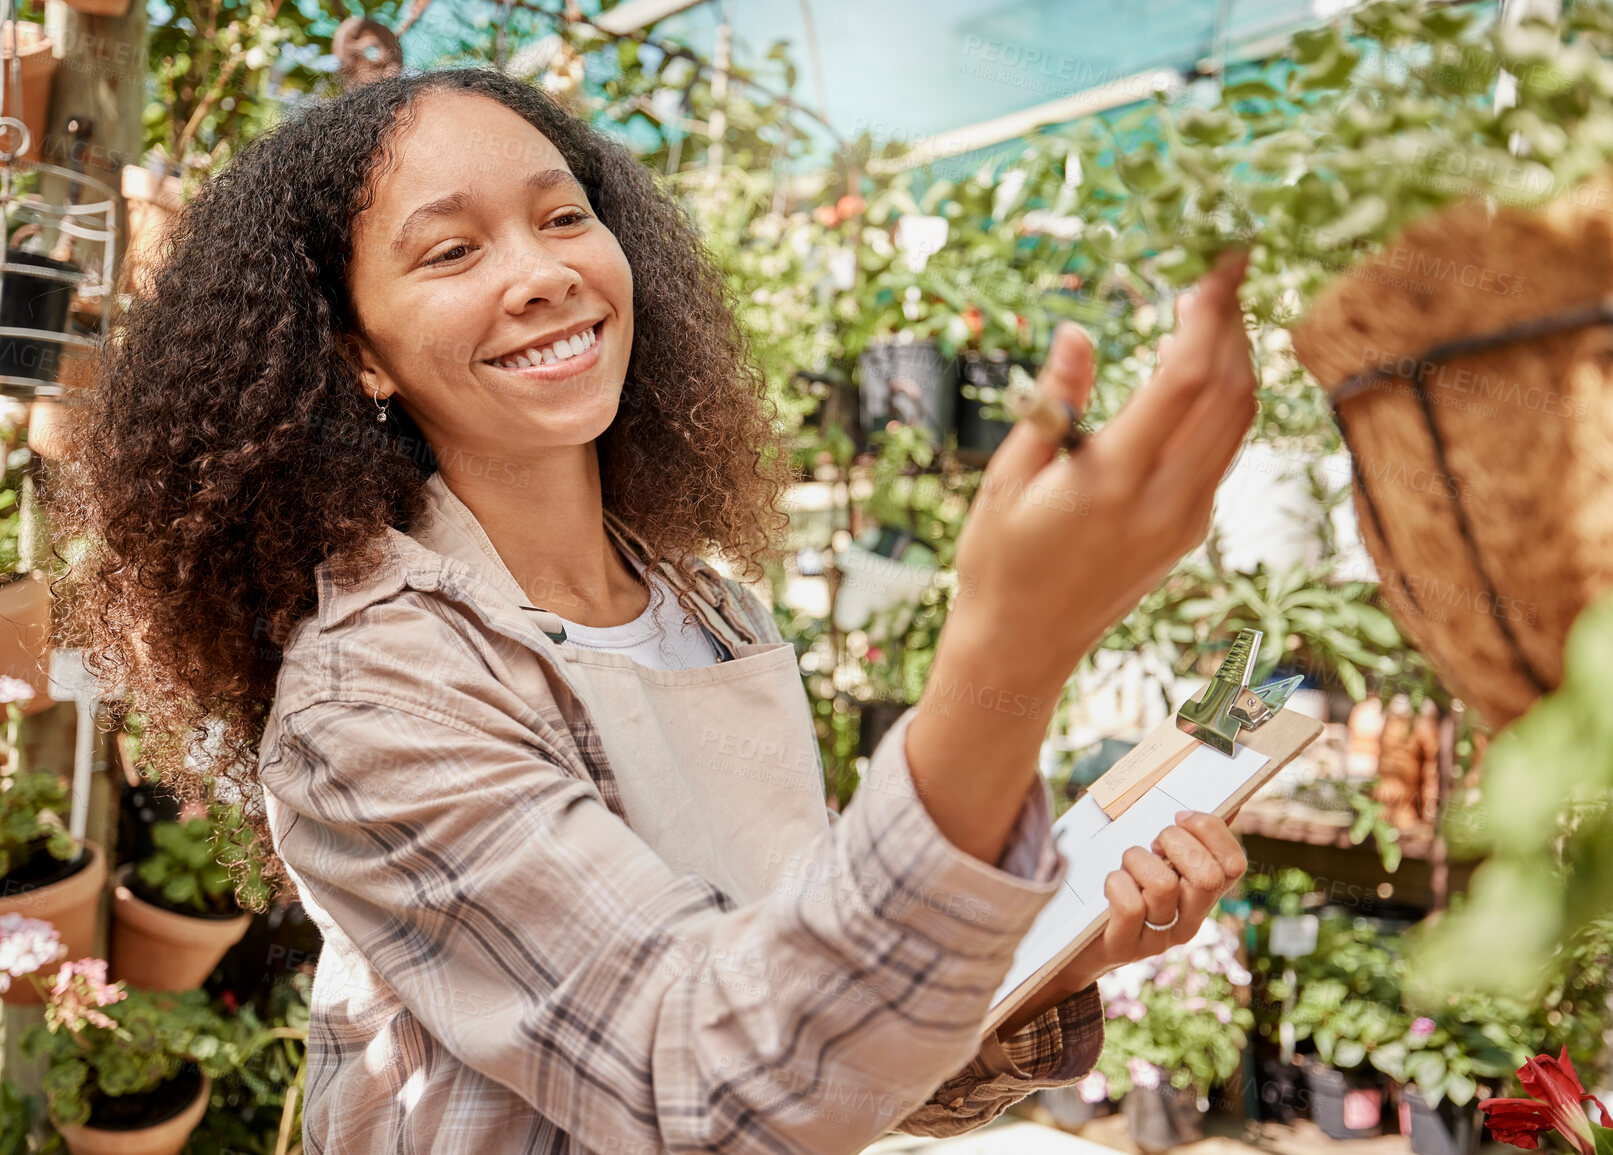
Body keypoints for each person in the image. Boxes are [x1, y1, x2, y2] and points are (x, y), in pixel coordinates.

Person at [49, 69, 1258, 1153]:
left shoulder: (711, 611)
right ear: (359, 353)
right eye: (451, 252)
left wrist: (1061, 953)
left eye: (564, 215)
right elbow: (707, 1088)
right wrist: (1011, 655)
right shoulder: (371, 693)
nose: (542, 273)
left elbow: (825, 1058)